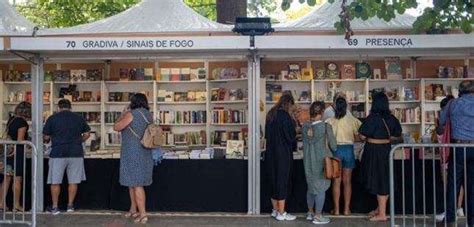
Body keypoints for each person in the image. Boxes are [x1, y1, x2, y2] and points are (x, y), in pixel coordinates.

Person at [359, 92, 402, 222]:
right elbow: (398, 135)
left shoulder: (372, 118)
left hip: (373, 152)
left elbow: (361, 136)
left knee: (379, 181)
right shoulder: (392, 118)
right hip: (387, 150)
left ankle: (382, 214)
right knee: (385, 179)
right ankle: (380, 208)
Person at [43, 99, 90, 215]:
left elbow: (45, 137)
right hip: (76, 152)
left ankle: (55, 207)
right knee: (73, 181)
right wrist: (79, 141)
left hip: (58, 152)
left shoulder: (52, 118)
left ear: (58, 107)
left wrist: (49, 139)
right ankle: (70, 206)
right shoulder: (79, 118)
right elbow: (87, 133)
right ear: (70, 107)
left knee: (55, 181)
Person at [113, 93, 154, 224]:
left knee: (136, 184)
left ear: (133, 102)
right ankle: (133, 209)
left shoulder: (131, 114)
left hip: (133, 152)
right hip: (145, 152)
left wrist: (122, 114)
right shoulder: (148, 115)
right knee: (132, 183)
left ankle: (143, 214)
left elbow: (116, 127)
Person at [440, 80, 474, 226]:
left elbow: (441, 122)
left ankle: (450, 219)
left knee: (453, 185)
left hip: (457, 147)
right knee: (472, 186)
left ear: (459, 91)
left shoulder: (452, 104)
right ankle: (471, 221)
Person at [302, 101, 337, 225]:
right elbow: (334, 146)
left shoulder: (304, 126)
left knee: (311, 187)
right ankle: (318, 215)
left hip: (307, 160)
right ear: (322, 113)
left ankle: (310, 212)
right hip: (322, 161)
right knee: (321, 188)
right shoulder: (326, 127)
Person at [326, 97, 361, 216]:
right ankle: (346, 209)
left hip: (336, 151)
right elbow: (359, 136)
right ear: (346, 107)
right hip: (348, 151)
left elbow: (326, 139)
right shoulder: (352, 120)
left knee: (336, 181)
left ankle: (336, 210)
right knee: (347, 181)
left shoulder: (329, 121)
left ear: (334, 107)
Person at [265, 93, 297, 221]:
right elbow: (291, 136)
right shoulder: (285, 116)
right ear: (289, 104)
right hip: (283, 154)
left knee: (273, 181)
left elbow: (267, 135)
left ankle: (275, 210)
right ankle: (282, 212)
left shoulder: (270, 114)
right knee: (282, 182)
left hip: (270, 153)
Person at [435, 95, 465, 221]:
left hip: (447, 155)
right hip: (456, 152)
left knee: (449, 183)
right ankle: (459, 208)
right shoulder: (460, 119)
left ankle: (450, 211)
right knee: (461, 183)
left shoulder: (444, 123)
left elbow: (439, 135)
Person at [0, 101, 31, 212]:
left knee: (6, 178)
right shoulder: (22, 123)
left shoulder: (11, 119)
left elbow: (8, 135)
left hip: (8, 152)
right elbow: (20, 140)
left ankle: (1, 204)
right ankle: (16, 205)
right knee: (17, 179)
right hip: (17, 154)